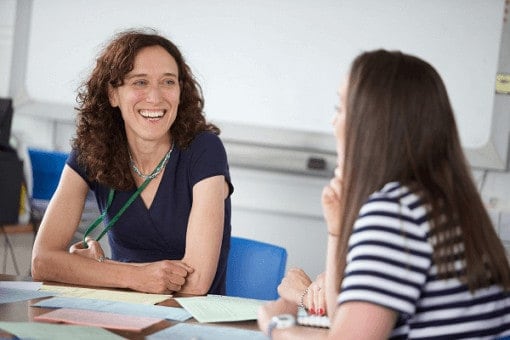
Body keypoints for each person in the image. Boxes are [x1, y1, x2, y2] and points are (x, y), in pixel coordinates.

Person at [258, 49, 510, 339]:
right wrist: (336, 232)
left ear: (371, 126)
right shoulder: (446, 202)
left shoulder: (396, 214)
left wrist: (278, 326)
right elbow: (346, 323)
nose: (333, 122)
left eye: (341, 108)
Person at [31, 28, 234, 296]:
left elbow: (194, 285)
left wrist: (99, 271)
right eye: (140, 82)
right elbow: (42, 261)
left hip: (190, 324)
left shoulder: (204, 150)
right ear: (113, 94)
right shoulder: (92, 149)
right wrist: (135, 276)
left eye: (168, 82)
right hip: (120, 313)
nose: (155, 97)